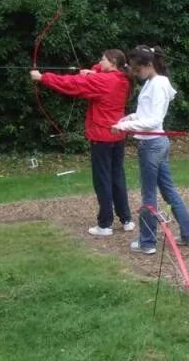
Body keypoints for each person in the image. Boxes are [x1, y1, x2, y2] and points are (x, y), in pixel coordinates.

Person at [30, 49, 134, 236]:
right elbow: (97, 75)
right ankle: (126, 220)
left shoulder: (102, 80)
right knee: (117, 177)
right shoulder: (123, 79)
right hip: (117, 135)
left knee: (102, 180)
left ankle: (105, 225)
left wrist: (42, 77)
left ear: (112, 62)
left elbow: (71, 84)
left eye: (102, 60)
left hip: (102, 136)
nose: (99, 62)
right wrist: (93, 71)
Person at [112, 45, 189, 255]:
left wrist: (125, 126)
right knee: (168, 190)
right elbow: (145, 114)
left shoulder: (158, 84)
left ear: (149, 64)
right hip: (155, 144)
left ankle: (147, 242)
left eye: (137, 69)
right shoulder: (152, 82)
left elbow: (153, 120)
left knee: (149, 195)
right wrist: (128, 118)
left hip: (152, 145)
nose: (135, 73)